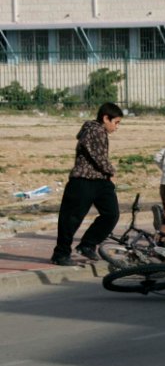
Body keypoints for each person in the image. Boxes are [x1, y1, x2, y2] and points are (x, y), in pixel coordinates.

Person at [50, 102, 124, 266]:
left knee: (111, 214)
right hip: (83, 180)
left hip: (100, 181)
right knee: (71, 219)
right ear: (106, 118)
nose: (117, 127)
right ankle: (61, 254)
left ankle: (87, 244)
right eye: (116, 122)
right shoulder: (94, 130)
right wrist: (111, 170)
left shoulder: (99, 131)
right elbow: (97, 156)